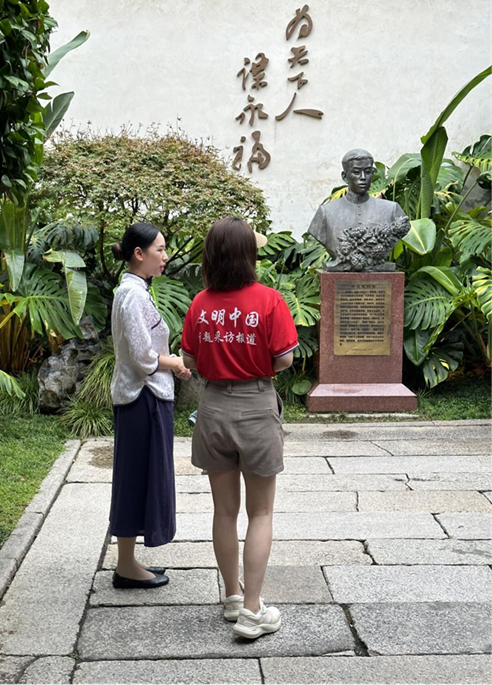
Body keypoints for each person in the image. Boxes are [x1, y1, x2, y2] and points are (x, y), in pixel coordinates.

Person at [181, 216, 298, 639]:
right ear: (249, 255)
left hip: (213, 408)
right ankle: (252, 611)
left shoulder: (200, 303)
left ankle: (233, 595)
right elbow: (285, 358)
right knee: (260, 511)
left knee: (224, 511)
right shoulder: (269, 300)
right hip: (256, 406)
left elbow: (190, 359)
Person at [109, 222, 191, 589]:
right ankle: (126, 566)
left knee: (136, 478)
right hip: (142, 398)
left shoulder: (134, 290)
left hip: (143, 397)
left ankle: (128, 561)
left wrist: (171, 364)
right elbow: (144, 358)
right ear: (139, 254)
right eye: (160, 249)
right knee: (134, 480)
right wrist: (175, 362)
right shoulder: (134, 295)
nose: (165, 256)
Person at [308, 148, 409, 271]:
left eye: (368, 172)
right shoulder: (326, 213)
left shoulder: (392, 210)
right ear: (345, 177)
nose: (363, 177)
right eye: (356, 172)